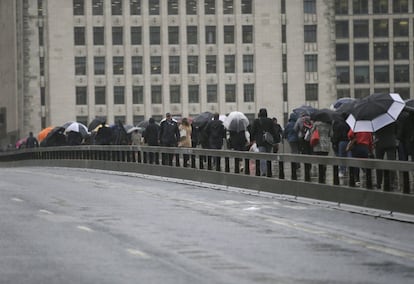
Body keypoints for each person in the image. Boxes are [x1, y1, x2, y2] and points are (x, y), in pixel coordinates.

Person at [250, 108, 278, 176]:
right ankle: (269, 171)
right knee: (268, 156)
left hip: (260, 141)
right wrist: (276, 141)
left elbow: (252, 131)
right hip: (269, 141)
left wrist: (252, 139)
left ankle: (264, 171)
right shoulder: (270, 121)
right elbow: (274, 131)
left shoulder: (256, 121)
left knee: (262, 156)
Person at [374, 123, 397, 190]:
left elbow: (374, 130)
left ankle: (379, 182)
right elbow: (396, 129)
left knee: (378, 164)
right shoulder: (392, 119)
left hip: (379, 142)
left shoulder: (376, 120)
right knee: (391, 163)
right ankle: (391, 183)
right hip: (391, 141)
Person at [331, 113, 350, 177]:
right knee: (348, 156)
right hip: (349, 142)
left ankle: (342, 171)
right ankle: (348, 169)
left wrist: (334, 142)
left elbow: (336, 135)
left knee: (341, 157)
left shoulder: (339, 124)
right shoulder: (349, 124)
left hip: (341, 142)